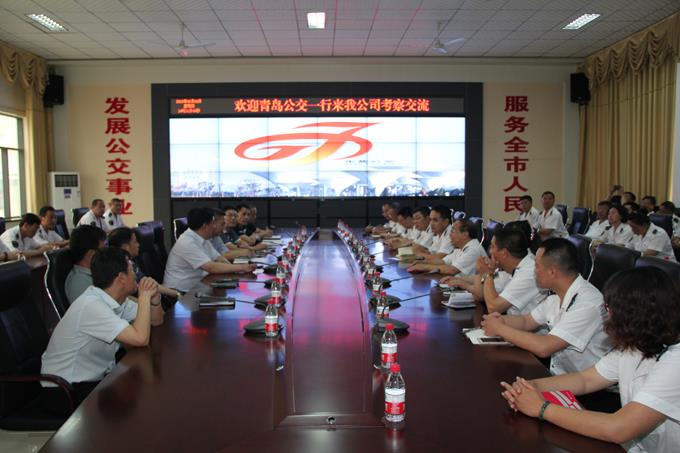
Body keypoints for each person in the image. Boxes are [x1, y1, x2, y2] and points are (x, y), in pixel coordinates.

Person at [500, 267, 680, 452]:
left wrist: (541, 408)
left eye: (609, 308)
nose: (607, 315)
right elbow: (585, 380)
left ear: (634, 313)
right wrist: (531, 386)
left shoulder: (675, 361)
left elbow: (619, 428)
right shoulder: (637, 344)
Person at [41, 248, 164, 406]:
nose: (136, 274)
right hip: (65, 389)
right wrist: (144, 296)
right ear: (121, 278)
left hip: (93, 378)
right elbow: (140, 339)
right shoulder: (91, 306)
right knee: (142, 398)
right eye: (132, 269)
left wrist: (154, 299)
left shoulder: (117, 299)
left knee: (144, 391)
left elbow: (156, 321)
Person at [481, 238, 610, 375]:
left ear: (552, 272)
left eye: (537, 266)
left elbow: (544, 347)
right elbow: (526, 321)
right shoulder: (556, 295)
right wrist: (498, 320)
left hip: (586, 384)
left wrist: (499, 328)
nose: (534, 271)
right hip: (558, 374)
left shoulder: (587, 303)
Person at [163, 207, 256, 292]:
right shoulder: (187, 242)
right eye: (212, 223)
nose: (214, 226)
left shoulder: (203, 238)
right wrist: (242, 267)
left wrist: (236, 270)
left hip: (197, 286)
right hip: (180, 293)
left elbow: (219, 258)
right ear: (205, 226)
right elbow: (211, 267)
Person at [474, 228, 548, 314]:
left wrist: (487, 274)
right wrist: (481, 271)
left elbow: (493, 307)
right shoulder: (513, 267)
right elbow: (480, 295)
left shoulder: (529, 272)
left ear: (504, 253)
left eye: (492, 247)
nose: (490, 251)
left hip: (523, 322)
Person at [107, 227, 180, 301]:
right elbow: (148, 285)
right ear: (126, 247)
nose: (138, 245)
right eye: (135, 242)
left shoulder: (130, 262)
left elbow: (149, 283)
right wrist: (176, 294)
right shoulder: (121, 267)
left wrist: (175, 293)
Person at [407, 219, 486, 276]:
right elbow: (443, 261)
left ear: (465, 235)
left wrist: (424, 267)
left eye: (453, 231)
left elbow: (452, 270)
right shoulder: (461, 247)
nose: (450, 235)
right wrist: (423, 262)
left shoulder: (473, 250)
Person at [65, 225, 107, 303]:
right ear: (91, 254)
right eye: (103, 250)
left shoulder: (95, 273)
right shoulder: (80, 283)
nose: (105, 254)